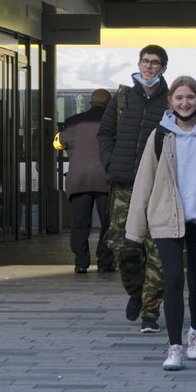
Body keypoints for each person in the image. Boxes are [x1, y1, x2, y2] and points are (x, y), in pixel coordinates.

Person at [126, 76, 196, 372]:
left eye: (190, 97)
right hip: (166, 218)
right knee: (173, 279)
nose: (184, 103)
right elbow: (143, 182)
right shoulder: (160, 135)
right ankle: (175, 347)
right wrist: (134, 231)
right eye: (179, 98)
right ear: (170, 102)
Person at [99, 44, 171, 333]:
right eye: (145, 62)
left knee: (157, 252)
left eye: (155, 63)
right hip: (125, 185)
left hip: (159, 188)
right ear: (139, 64)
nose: (149, 67)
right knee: (122, 247)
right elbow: (105, 132)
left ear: (164, 68)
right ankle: (136, 292)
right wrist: (110, 162)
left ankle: (150, 312)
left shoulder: (169, 101)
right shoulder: (122, 98)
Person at [59, 88, 115, 274]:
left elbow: (60, 143)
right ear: (109, 105)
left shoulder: (72, 122)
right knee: (108, 222)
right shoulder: (114, 122)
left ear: (90, 103)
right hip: (105, 180)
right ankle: (105, 263)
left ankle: (81, 263)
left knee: (80, 223)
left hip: (79, 180)